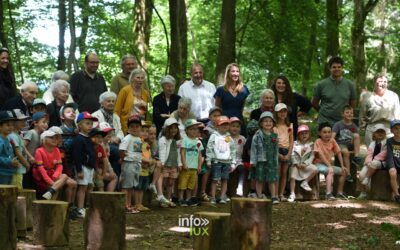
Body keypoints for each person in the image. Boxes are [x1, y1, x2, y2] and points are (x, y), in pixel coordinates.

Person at [33, 130, 77, 202]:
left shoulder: (57, 150)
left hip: (52, 174)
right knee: (59, 185)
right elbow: (41, 170)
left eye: (56, 138)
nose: (55, 140)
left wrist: (55, 176)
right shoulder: (39, 151)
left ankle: (69, 206)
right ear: (44, 139)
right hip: (42, 177)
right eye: (51, 138)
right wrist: (51, 182)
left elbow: (60, 166)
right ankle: (52, 200)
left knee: (73, 183)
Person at [311, 56, 357, 126]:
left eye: (339, 67)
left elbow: (353, 104)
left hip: (343, 122)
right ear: (330, 68)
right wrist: (323, 112)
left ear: (342, 68)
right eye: (334, 67)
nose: (337, 69)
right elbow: (314, 103)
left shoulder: (349, 84)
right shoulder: (321, 84)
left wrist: (347, 115)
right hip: (325, 121)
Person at [359, 74, 400, 146]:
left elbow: (398, 114)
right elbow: (362, 114)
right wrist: (362, 128)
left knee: (390, 155)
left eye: (385, 81)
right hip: (372, 129)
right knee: (372, 154)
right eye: (380, 81)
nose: (383, 83)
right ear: (374, 82)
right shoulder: (367, 96)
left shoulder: (393, 96)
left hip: (389, 130)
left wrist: (397, 130)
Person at [72, 112, 98, 218]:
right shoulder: (79, 139)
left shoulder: (89, 138)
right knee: (82, 187)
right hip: (82, 167)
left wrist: (94, 167)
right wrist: (79, 170)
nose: (90, 126)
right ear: (79, 125)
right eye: (87, 123)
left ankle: (87, 206)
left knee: (89, 187)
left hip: (90, 167)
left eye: (91, 124)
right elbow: (76, 155)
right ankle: (80, 208)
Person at [250, 112, 279, 203]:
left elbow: (276, 150)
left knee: (271, 179)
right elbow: (253, 149)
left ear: (273, 123)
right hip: (260, 161)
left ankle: (274, 196)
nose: (268, 123)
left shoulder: (275, 136)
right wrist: (253, 161)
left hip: (271, 160)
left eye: (270, 121)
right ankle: (259, 196)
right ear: (261, 123)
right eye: (265, 121)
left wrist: (276, 161)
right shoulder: (257, 136)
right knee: (260, 179)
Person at [206, 116, 236, 204]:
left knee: (225, 179)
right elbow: (209, 148)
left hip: (227, 162)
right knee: (215, 179)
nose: (225, 127)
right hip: (216, 161)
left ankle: (223, 197)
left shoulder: (229, 138)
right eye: (222, 125)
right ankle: (213, 197)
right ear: (217, 126)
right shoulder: (213, 136)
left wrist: (233, 162)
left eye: (226, 125)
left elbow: (233, 150)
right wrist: (208, 160)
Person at [313, 122, 347, 200]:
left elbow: (338, 152)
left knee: (344, 171)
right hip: (318, 164)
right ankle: (328, 193)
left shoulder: (332, 141)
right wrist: (329, 166)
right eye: (324, 132)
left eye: (329, 132)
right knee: (330, 170)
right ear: (319, 133)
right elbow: (320, 155)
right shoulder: (318, 141)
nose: (327, 134)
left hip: (328, 165)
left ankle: (339, 193)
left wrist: (342, 165)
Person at [287, 125, 318, 203]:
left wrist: (306, 163)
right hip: (296, 165)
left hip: (305, 165)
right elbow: (292, 154)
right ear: (298, 135)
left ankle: (305, 182)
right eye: (302, 133)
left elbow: (312, 155)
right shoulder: (295, 143)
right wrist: (296, 163)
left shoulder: (311, 144)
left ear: (309, 134)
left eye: (306, 133)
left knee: (315, 169)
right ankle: (292, 193)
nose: (304, 135)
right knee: (292, 176)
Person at [115, 68, 151, 135]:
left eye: (142, 78)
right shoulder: (125, 90)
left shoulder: (145, 93)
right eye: (138, 77)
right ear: (132, 78)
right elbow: (117, 110)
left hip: (141, 126)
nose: (140, 80)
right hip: (127, 125)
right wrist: (117, 126)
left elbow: (145, 112)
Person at [119, 115, 143, 213]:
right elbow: (121, 150)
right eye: (132, 126)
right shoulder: (127, 138)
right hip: (129, 163)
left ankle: (129, 205)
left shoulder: (138, 139)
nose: (135, 128)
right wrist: (123, 159)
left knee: (131, 186)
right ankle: (125, 205)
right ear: (128, 129)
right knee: (126, 185)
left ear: (140, 128)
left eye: (137, 126)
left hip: (136, 163)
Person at [332, 105, 362, 181]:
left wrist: (354, 149)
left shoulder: (354, 126)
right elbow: (332, 137)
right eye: (347, 112)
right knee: (345, 152)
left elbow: (356, 138)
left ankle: (356, 157)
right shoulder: (338, 124)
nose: (349, 114)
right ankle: (348, 173)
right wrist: (334, 148)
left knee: (356, 135)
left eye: (351, 113)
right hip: (341, 144)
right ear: (342, 114)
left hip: (350, 144)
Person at [358, 124, 387, 199]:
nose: (380, 133)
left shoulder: (386, 143)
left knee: (374, 164)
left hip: (382, 162)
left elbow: (383, 155)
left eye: (382, 132)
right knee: (361, 175)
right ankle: (363, 192)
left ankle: (368, 184)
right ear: (374, 133)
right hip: (371, 163)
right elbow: (369, 154)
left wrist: (373, 162)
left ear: (385, 133)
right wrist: (368, 162)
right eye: (378, 132)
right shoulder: (372, 143)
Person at [178, 119, 203, 206]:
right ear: (187, 131)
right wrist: (184, 163)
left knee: (191, 184)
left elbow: (200, 155)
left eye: (196, 129)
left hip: (194, 167)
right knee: (183, 183)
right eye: (192, 129)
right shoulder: (185, 140)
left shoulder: (198, 141)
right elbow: (182, 152)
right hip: (187, 166)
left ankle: (188, 199)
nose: (195, 131)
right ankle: (181, 199)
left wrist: (199, 166)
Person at [158, 117, 182, 207]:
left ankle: (168, 199)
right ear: (166, 129)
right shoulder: (163, 139)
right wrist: (162, 163)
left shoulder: (177, 140)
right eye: (171, 128)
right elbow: (162, 152)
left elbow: (178, 153)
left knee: (171, 182)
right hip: (166, 165)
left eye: (175, 128)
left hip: (174, 165)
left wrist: (179, 163)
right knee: (164, 182)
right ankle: (162, 200)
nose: (173, 130)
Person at [23, 112, 49, 189]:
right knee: (25, 183)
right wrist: (30, 157)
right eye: (43, 122)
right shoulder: (31, 132)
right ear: (35, 123)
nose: (46, 124)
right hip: (26, 163)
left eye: (47, 123)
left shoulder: (42, 135)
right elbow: (22, 146)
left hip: (34, 165)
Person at [274, 103, 294, 201]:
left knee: (284, 173)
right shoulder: (274, 126)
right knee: (277, 173)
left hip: (286, 150)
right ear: (276, 113)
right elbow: (272, 142)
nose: (282, 113)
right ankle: (275, 194)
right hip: (277, 150)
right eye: (280, 111)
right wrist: (277, 154)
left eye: (284, 111)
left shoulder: (289, 126)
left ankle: (281, 194)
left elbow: (291, 141)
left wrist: (289, 154)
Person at [134, 122, 154, 211]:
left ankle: (140, 204)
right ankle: (136, 204)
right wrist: (148, 161)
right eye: (143, 131)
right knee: (137, 188)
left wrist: (150, 162)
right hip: (139, 169)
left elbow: (148, 156)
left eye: (147, 131)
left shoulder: (147, 144)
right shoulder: (138, 142)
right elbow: (138, 155)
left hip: (145, 170)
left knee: (142, 188)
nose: (145, 133)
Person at [90, 128, 117, 192]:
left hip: (97, 170)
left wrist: (103, 175)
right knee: (90, 186)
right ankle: (88, 201)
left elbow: (105, 161)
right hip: (90, 169)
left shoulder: (100, 147)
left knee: (101, 185)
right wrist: (97, 169)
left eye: (101, 137)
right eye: (97, 137)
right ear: (91, 137)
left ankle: (102, 200)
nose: (100, 139)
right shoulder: (89, 146)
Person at [9, 109, 30, 189]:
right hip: (16, 170)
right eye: (21, 120)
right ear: (13, 122)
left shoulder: (17, 134)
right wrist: (26, 164)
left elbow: (23, 148)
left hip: (18, 170)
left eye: (24, 120)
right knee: (17, 190)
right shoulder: (13, 136)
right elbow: (18, 153)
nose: (24, 122)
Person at [0, 110, 20, 184]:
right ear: (0, 126)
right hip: (2, 173)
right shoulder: (0, 140)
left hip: (8, 172)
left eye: (12, 125)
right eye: (8, 125)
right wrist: (10, 161)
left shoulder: (7, 138)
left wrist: (14, 162)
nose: (11, 127)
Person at [59, 103, 78, 178]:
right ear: (62, 116)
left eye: (73, 112)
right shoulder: (59, 130)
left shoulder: (77, 130)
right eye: (68, 112)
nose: (72, 113)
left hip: (74, 159)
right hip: (63, 158)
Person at [229, 117, 246, 196]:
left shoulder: (242, 138)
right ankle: (225, 191)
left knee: (242, 169)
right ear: (229, 127)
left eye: (237, 126)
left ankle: (240, 187)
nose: (235, 128)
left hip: (238, 160)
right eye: (233, 126)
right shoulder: (227, 138)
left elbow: (246, 150)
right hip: (227, 160)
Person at [384, 120, 400, 202]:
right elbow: (389, 156)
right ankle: (397, 195)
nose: (398, 130)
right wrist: (392, 167)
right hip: (393, 163)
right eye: (396, 128)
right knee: (393, 173)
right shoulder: (390, 141)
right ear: (391, 130)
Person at [242, 119, 259, 198]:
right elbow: (249, 152)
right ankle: (251, 191)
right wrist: (254, 161)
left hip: (253, 162)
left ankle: (255, 191)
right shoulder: (250, 139)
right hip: (249, 162)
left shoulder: (255, 138)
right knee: (252, 176)